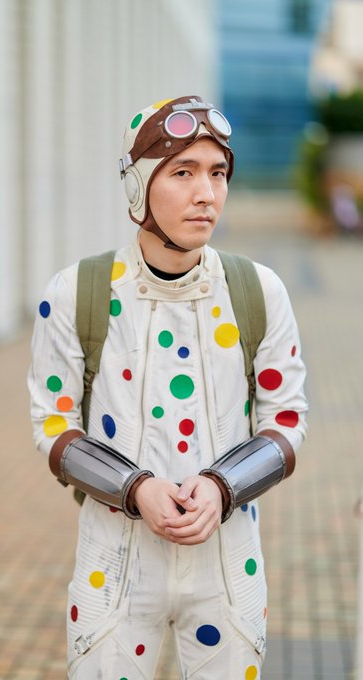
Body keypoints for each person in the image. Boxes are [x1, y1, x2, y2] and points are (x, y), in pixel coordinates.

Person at [28, 95, 308, 679]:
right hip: (114, 562)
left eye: (218, 173)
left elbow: (285, 420)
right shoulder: (75, 291)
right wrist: (135, 488)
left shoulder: (260, 291)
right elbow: (53, 424)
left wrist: (223, 486)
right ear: (138, 186)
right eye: (183, 172)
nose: (206, 193)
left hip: (228, 564)